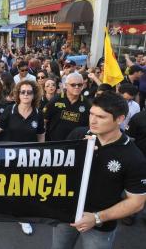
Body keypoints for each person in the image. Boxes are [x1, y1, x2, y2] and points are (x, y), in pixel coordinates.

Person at [51, 91, 146, 249]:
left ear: (120, 119)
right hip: (66, 215)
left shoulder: (133, 156)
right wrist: (77, 152)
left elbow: (136, 203)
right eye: (91, 114)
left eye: (101, 117)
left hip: (100, 226)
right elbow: (57, 169)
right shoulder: (79, 134)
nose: (93, 121)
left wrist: (96, 218)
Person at [0, 80, 45, 236]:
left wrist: (41, 154)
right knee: (7, 184)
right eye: (22, 92)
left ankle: (23, 218)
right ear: (17, 94)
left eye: (29, 92)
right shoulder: (10, 110)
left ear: (34, 94)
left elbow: (41, 136)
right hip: (9, 157)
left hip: (28, 158)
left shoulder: (38, 114)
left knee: (23, 188)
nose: (25, 95)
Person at [43, 73, 90, 141]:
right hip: (55, 143)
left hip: (75, 144)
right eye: (73, 85)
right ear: (66, 85)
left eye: (79, 85)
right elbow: (44, 120)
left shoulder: (87, 104)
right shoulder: (56, 100)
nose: (77, 87)